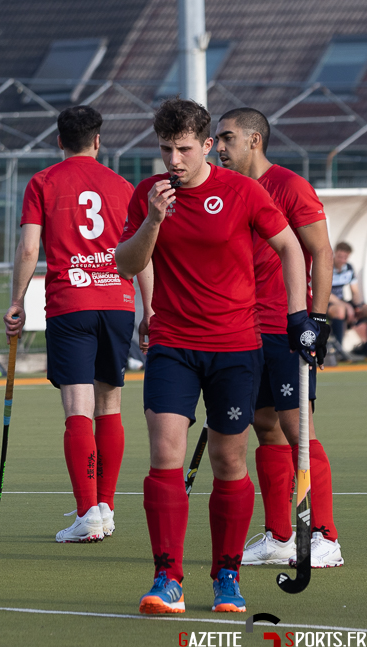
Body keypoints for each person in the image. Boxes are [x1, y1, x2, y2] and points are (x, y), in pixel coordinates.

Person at [115, 98, 314, 614]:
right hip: (172, 345)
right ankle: (167, 580)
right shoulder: (149, 195)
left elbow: (292, 247)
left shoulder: (242, 191)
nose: (173, 160)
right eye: (165, 149)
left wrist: (297, 316)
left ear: (207, 145)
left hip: (236, 347)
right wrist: (153, 220)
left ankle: (226, 576)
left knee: (229, 459)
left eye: (184, 149)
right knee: (165, 455)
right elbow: (126, 262)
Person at [215, 107, 344, 569]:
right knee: (264, 426)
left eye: (227, 138)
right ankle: (279, 536)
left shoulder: (289, 186)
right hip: (241, 330)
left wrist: (318, 319)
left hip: (284, 329)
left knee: (297, 429)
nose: (220, 147)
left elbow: (321, 252)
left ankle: (325, 536)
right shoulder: (227, 190)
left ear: (254, 140)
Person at [5, 105, 136, 543]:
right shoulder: (123, 186)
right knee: (110, 404)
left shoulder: (43, 183)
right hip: (118, 301)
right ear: (98, 141)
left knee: (77, 407)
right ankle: (105, 506)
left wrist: (17, 300)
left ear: (59, 141)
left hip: (72, 302)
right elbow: (143, 252)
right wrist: (151, 311)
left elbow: (28, 249)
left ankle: (87, 513)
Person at [326, 241, 367, 358]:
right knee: (340, 310)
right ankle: (339, 349)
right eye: (340, 256)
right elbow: (326, 293)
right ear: (335, 254)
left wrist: (358, 306)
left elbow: (355, 292)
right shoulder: (327, 267)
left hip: (343, 303)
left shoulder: (348, 268)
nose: (342, 260)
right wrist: (346, 306)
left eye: (345, 257)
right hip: (329, 304)